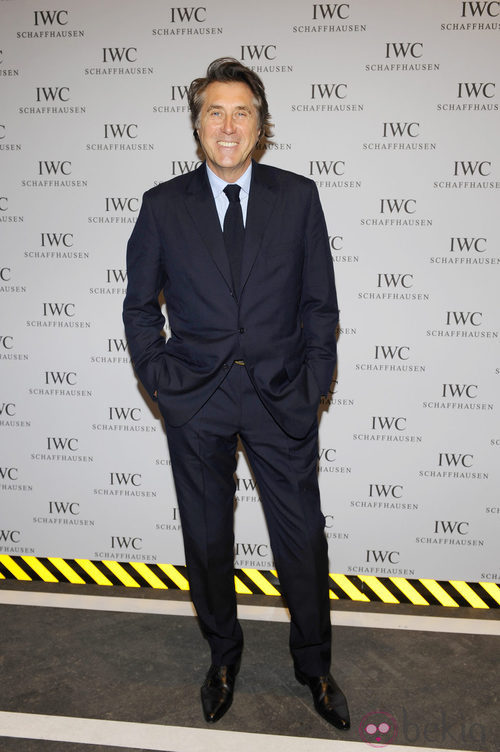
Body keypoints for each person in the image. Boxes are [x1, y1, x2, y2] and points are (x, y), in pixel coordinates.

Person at [123, 57, 349, 730]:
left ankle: (315, 665)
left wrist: (313, 383)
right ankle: (223, 656)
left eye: (242, 112)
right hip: (197, 400)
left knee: (302, 539)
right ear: (198, 125)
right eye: (215, 112)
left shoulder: (298, 197)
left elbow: (320, 304)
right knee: (207, 538)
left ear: (261, 124)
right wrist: (161, 380)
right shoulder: (163, 205)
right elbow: (139, 307)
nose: (229, 126)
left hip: (282, 397)